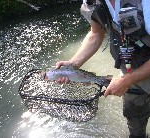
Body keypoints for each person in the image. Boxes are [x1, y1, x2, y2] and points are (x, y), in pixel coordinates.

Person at [55, 0, 150, 137]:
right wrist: (72, 65)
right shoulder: (94, 2)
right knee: (135, 125)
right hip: (131, 71)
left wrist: (126, 81)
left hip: (131, 77)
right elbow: (95, 33)